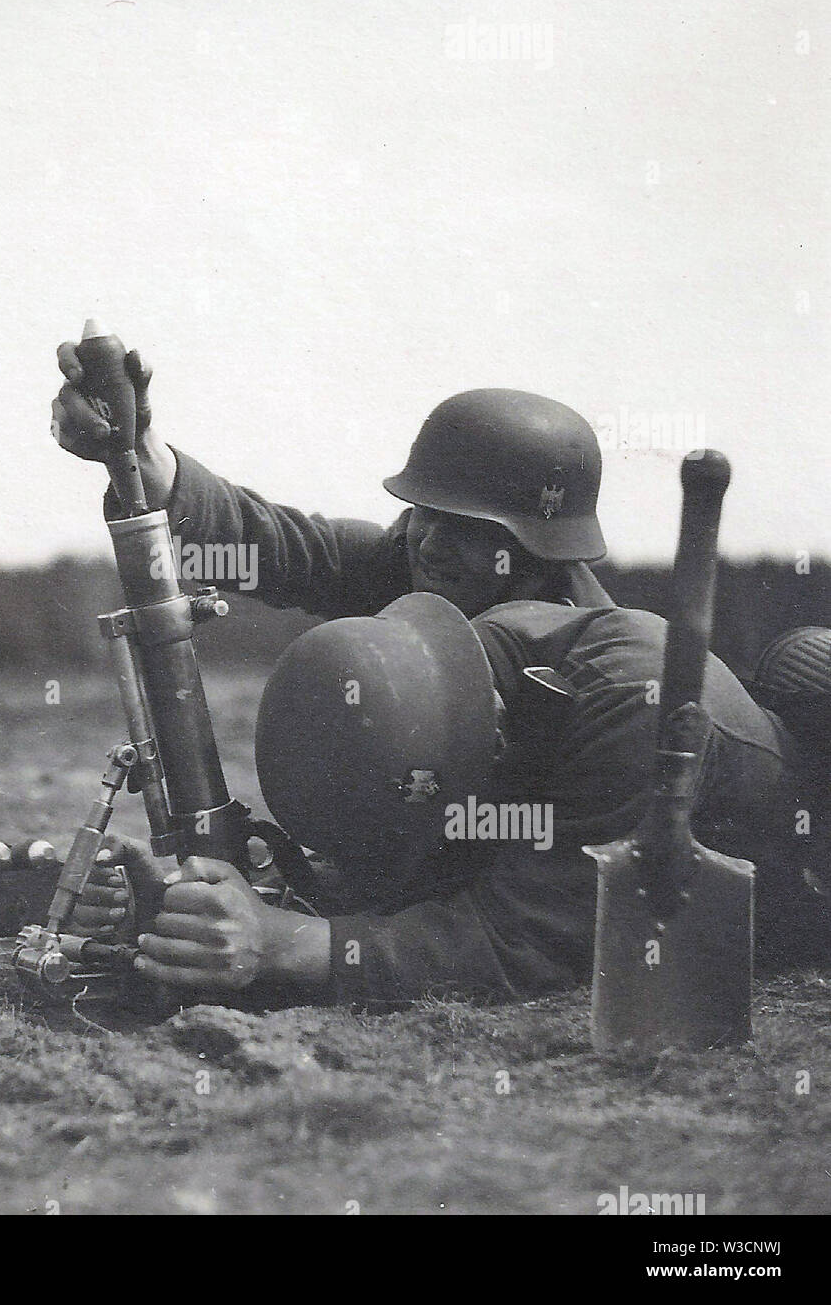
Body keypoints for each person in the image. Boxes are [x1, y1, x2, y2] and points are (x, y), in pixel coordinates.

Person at [50, 340, 829, 1005]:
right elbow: (282, 546)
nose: (427, 543)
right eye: (423, 512)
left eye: (466, 529)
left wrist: (287, 942)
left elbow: (536, 941)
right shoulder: (436, 581)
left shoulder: (629, 688)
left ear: (539, 551)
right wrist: (138, 456)